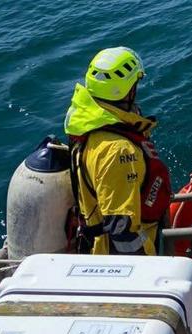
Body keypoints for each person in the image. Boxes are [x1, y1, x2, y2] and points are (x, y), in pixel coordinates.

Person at [64, 47, 170, 255]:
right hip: (127, 263)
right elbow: (122, 231)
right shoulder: (118, 151)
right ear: (127, 91)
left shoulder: (91, 128)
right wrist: (145, 272)